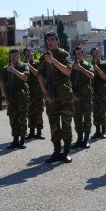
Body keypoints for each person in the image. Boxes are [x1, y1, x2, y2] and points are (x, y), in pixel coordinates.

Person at [38, 32, 73, 163]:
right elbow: (40, 75)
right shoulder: (43, 57)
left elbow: (68, 71)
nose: (50, 42)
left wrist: (53, 61)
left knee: (66, 125)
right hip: (51, 97)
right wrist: (45, 93)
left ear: (58, 41)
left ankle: (67, 152)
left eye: (53, 39)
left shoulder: (64, 54)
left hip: (64, 96)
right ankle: (56, 151)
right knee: (54, 125)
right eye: (48, 40)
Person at [0, 48, 30, 149]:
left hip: (22, 97)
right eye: (12, 55)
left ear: (19, 56)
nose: (13, 57)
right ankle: (15, 140)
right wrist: (5, 96)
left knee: (22, 118)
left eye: (16, 55)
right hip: (11, 97)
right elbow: (2, 83)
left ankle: (22, 139)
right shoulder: (5, 68)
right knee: (13, 119)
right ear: (10, 56)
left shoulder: (24, 65)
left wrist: (14, 70)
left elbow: (25, 78)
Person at [71, 47, 94, 149]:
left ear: (83, 54)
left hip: (86, 97)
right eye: (76, 54)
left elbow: (91, 75)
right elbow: (68, 82)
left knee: (87, 119)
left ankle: (86, 139)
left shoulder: (87, 65)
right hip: (76, 97)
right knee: (77, 119)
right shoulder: (71, 67)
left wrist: (81, 68)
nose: (78, 55)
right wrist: (72, 95)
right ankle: (79, 139)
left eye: (79, 53)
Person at [23, 47, 45, 140]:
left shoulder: (37, 63)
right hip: (29, 92)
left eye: (29, 53)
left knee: (38, 112)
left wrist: (29, 66)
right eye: (26, 54)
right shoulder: (23, 65)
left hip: (38, 92)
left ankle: (39, 132)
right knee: (30, 113)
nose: (28, 55)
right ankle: (31, 132)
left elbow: (37, 73)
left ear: (33, 53)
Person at [90, 47, 106, 139]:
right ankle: (97, 131)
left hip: (102, 92)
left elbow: (104, 77)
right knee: (95, 112)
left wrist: (97, 69)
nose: (96, 55)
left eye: (97, 53)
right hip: (94, 92)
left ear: (100, 54)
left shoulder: (104, 65)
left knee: (102, 111)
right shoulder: (90, 65)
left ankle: (104, 131)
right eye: (94, 54)